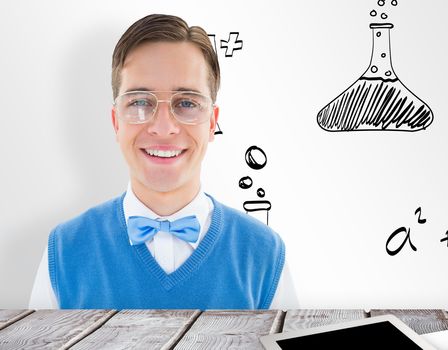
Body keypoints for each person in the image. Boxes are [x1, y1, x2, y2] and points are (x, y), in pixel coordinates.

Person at [29, 14, 296, 309]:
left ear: (212, 123)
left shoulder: (265, 255)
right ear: (116, 122)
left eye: (187, 103)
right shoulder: (65, 250)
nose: (163, 127)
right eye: (140, 102)